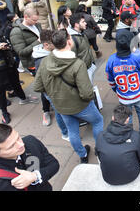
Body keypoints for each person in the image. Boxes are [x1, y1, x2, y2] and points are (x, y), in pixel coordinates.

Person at [33, 29, 104, 163]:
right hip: (81, 106)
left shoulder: (45, 61)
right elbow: (87, 93)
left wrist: (55, 95)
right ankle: (100, 150)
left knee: (72, 131)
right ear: (69, 41)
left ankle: (82, 155)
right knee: (98, 121)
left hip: (61, 106)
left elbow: (38, 86)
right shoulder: (77, 64)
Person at [0, 124, 59, 191]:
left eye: (18, 138)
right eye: (11, 146)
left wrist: (35, 176)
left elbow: (53, 164)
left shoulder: (31, 141)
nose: (21, 144)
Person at [106, 30, 140, 139]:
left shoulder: (111, 60)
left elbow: (111, 80)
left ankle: (128, 134)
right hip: (139, 93)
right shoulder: (136, 56)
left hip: (124, 96)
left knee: (127, 116)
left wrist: (116, 90)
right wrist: (136, 51)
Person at [95, 105, 140, 185]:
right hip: (131, 176)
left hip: (108, 177)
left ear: (113, 118)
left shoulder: (100, 135)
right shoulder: (136, 136)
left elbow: (97, 155)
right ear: (127, 120)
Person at [10, 8, 42, 76]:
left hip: (42, 58)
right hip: (32, 63)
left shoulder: (37, 25)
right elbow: (21, 52)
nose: (36, 22)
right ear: (26, 17)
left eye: (37, 20)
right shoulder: (16, 32)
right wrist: (38, 41)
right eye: (34, 20)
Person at [68, 13, 97, 82]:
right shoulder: (72, 39)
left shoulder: (83, 34)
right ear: (76, 24)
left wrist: (92, 63)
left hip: (89, 67)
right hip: (82, 72)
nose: (86, 23)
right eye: (83, 22)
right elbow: (71, 59)